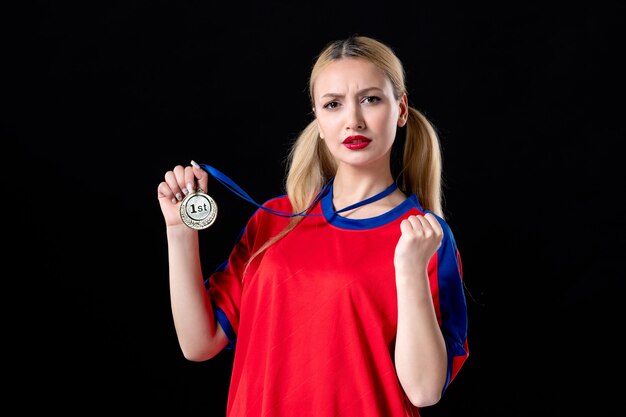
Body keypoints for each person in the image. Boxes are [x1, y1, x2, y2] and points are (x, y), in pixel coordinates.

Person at [157, 35, 469, 417]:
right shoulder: (273, 221)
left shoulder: (424, 236)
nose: (352, 120)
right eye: (333, 104)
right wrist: (180, 231)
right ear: (318, 120)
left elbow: (423, 391)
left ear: (401, 110)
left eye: (370, 99)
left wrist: (408, 271)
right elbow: (198, 343)